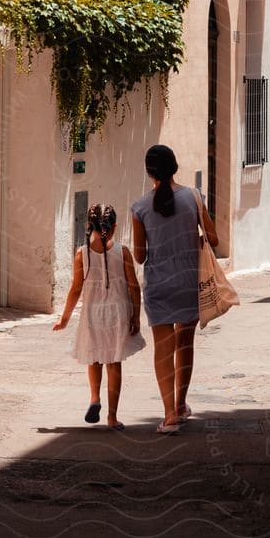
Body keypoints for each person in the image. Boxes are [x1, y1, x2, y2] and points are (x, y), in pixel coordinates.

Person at [130, 145, 219, 436]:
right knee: (186, 344)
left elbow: (140, 256)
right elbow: (214, 238)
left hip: (158, 286)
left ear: (148, 172)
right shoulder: (194, 197)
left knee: (163, 350)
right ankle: (181, 405)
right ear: (175, 167)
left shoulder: (140, 208)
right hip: (187, 282)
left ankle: (169, 415)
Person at [53, 204, 144, 428]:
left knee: (94, 358)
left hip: (92, 314)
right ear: (114, 227)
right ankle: (112, 418)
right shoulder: (122, 252)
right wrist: (136, 316)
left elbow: (75, 289)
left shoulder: (81, 254)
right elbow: (134, 287)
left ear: (88, 227)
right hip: (117, 313)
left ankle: (94, 398)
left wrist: (64, 319)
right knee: (114, 362)